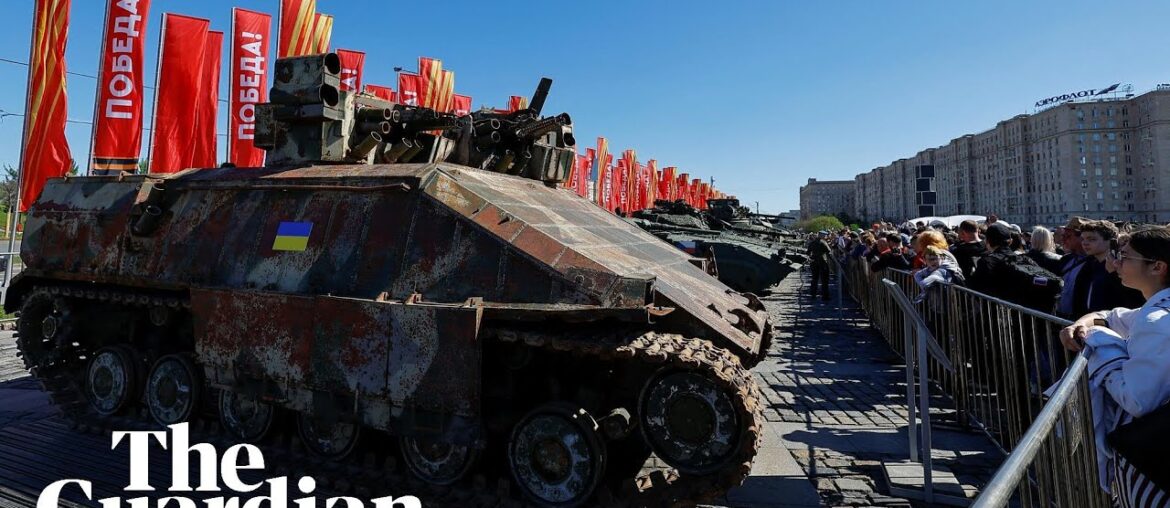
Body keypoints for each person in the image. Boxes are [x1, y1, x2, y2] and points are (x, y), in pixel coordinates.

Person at [1058, 226, 1170, 503]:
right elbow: (1112, 316)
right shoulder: (1155, 309)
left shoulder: (1156, 320)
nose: (1116, 262)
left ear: (1157, 267)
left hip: (1154, 459)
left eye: (1125, 256)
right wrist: (1084, 322)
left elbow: (1136, 399)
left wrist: (1104, 351)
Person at [1072, 220, 1144, 317]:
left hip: (1115, 323)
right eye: (1083, 239)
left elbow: (1131, 299)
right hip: (1088, 323)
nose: (1085, 243)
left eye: (1092, 239)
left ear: (1111, 241)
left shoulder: (1124, 265)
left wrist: (1114, 274)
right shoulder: (1088, 265)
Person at [807, 230, 832, 301]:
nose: (826, 236)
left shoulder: (812, 243)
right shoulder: (823, 242)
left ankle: (813, 294)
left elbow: (808, 252)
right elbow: (829, 251)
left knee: (814, 278)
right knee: (824, 280)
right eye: (825, 235)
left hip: (814, 261)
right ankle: (825, 296)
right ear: (822, 235)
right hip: (822, 261)